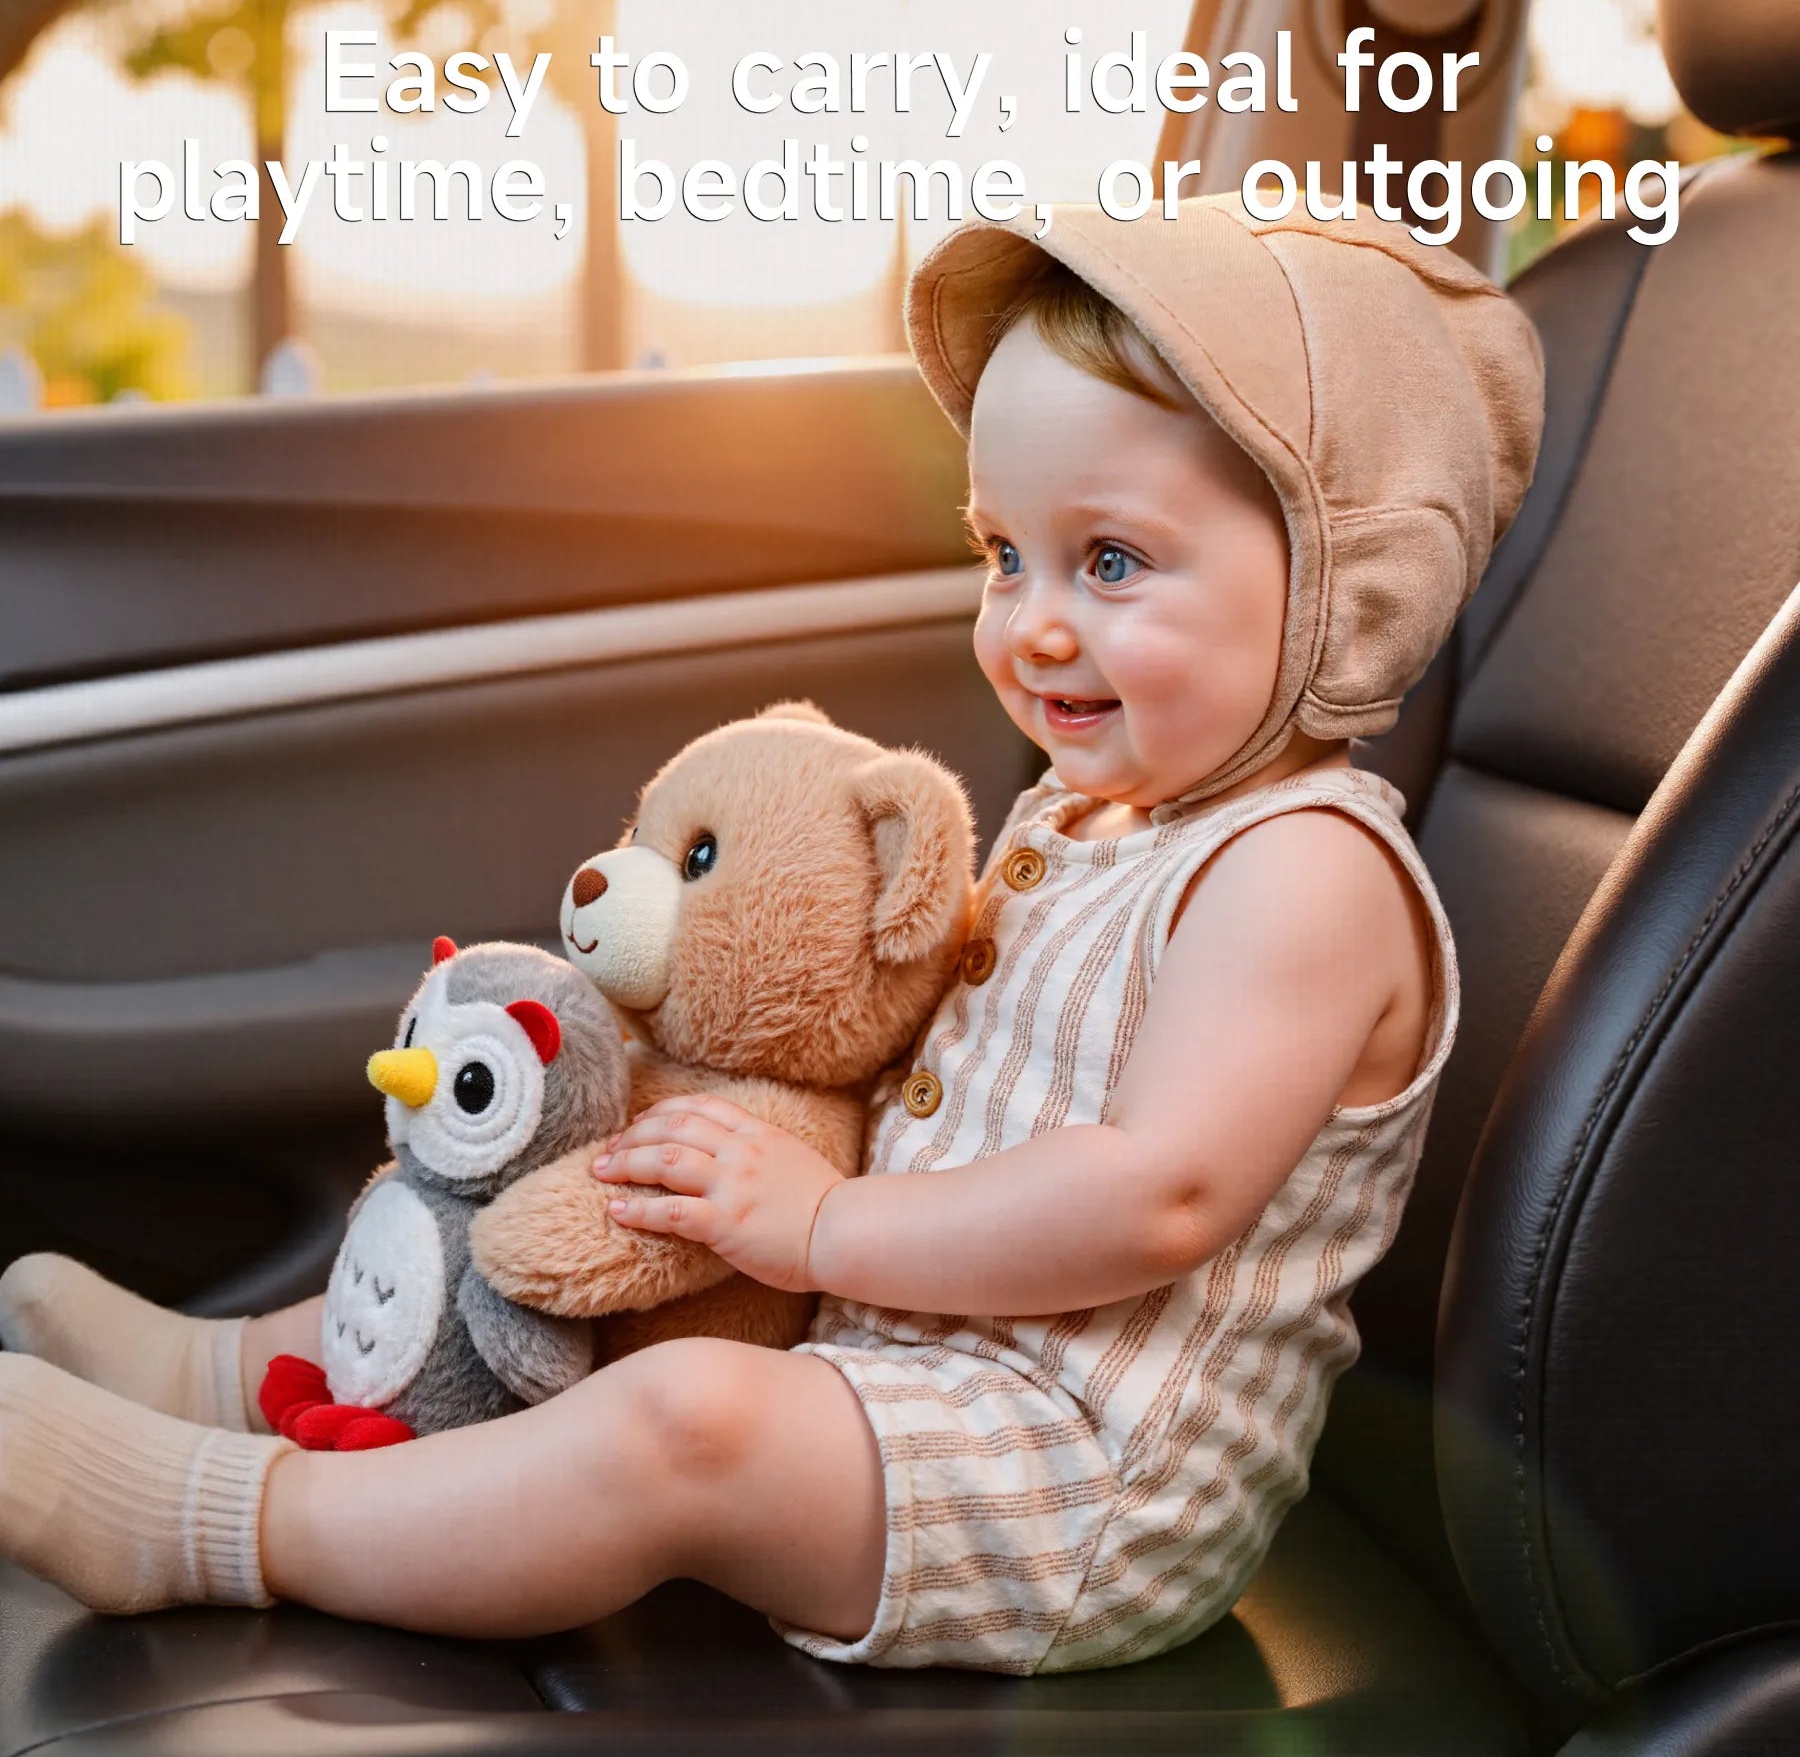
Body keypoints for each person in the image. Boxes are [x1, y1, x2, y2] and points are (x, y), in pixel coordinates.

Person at [0, 192, 1542, 1673]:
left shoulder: (1306, 876)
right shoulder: (1096, 819)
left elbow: (1152, 1198)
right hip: (913, 1362)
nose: (1034, 623)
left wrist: (811, 1228)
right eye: (1001, 555)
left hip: (1083, 1480)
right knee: (590, 1208)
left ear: (1346, 581)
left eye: (1113, 562)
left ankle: (225, 1526)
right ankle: (229, 1378)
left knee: (687, 1423)